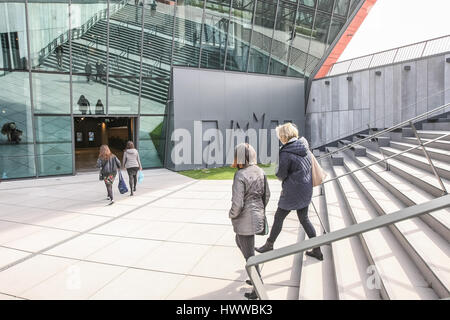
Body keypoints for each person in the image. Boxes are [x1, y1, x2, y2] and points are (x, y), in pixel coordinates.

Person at [256, 123, 323, 261]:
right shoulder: (304, 146)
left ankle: (269, 245)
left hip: (292, 192)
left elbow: (281, 174)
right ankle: (317, 250)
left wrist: (277, 170)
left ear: (284, 136)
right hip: (305, 189)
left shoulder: (286, 152)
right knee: (304, 219)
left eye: (280, 136)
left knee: (278, 217)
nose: (279, 138)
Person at [229, 143, 270, 300]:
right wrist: (259, 210)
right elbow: (267, 195)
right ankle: (255, 277)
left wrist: (232, 214)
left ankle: (257, 287)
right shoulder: (260, 171)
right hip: (256, 215)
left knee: (249, 256)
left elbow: (237, 203)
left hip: (245, 219)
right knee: (243, 245)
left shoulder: (240, 175)